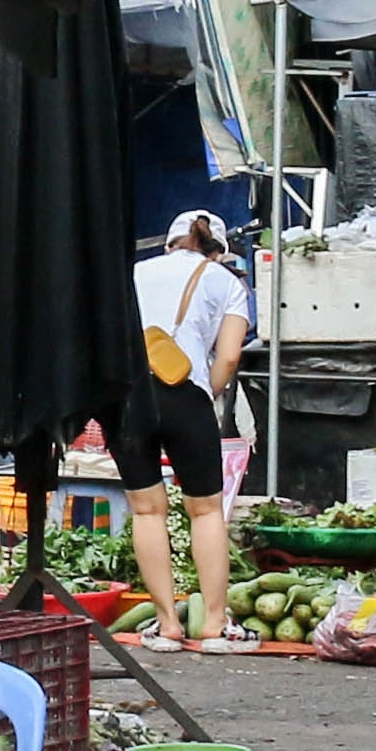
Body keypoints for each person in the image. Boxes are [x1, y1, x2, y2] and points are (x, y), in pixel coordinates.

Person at [114, 211, 255, 651]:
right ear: (218, 251)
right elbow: (228, 356)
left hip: (128, 396)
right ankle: (213, 624)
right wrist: (206, 392)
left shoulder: (134, 272)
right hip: (186, 394)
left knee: (146, 510)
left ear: (169, 243)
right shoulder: (227, 283)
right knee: (206, 510)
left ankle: (167, 625)